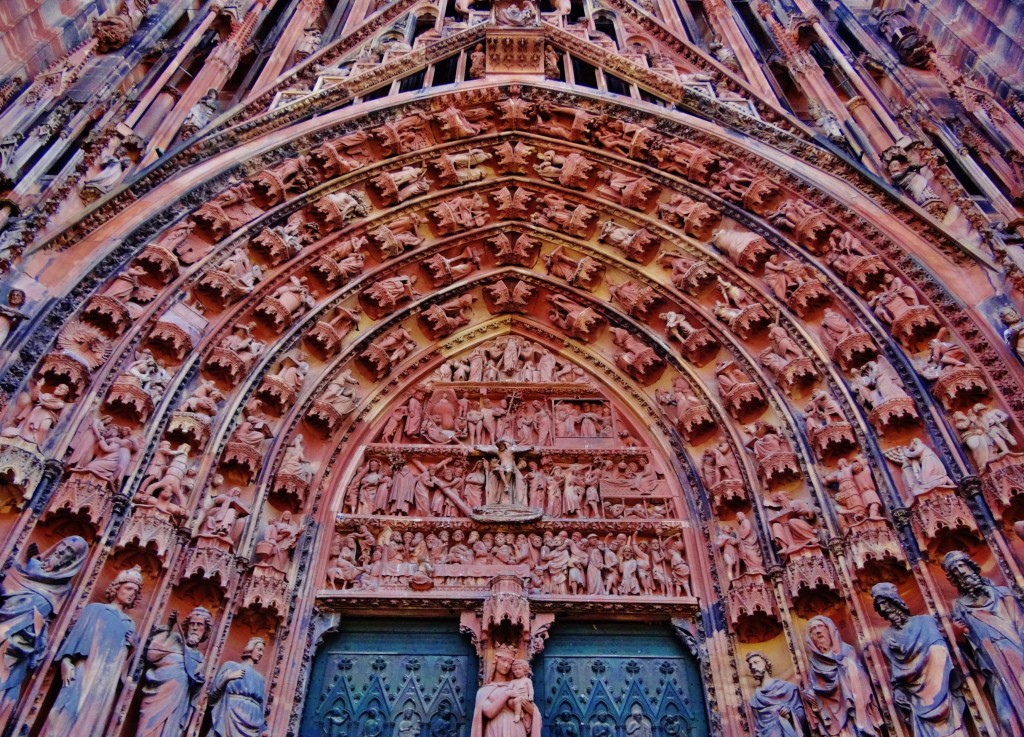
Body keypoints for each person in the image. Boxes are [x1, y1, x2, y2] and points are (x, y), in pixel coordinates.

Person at [40, 566, 143, 737]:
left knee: (94, 717)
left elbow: (125, 669)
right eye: (128, 588)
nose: (132, 593)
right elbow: (76, 637)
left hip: (107, 679)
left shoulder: (129, 624)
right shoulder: (96, 609)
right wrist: (66, 661)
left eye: (136, 591)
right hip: (85, 667)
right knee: (69, 708)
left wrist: (133, 648)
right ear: (117, 588)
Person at [0, 536, 88, 724]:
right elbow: (7, 592)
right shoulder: (27, 567)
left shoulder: (62, 588)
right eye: (63, 545)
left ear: (72, 561)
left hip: (17, 644)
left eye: (69, 551)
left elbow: (40, 623)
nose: (62, 551)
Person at [942, 550, 1024, 737]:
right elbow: (969, 653)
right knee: (1006, 716)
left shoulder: (1002, 593)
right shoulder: (960, 608)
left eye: (962, 566)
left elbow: (1021, 624)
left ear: (971, 566)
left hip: (1018, 652)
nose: (960, 572)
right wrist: (960, 637)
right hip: (995, 665)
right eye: (955, 571)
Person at [871, 582, 966, 737]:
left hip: (939, 689)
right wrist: (898, 691)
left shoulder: (924, 622)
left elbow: (940, 652)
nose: (883, 609)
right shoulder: (887, 638)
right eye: (879, 606)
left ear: (894, 601)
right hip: (915, 700)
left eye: (884, 603)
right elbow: (896, 675)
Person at [136, 607, 213, 737]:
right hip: (158, 694)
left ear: (205, 630)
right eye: (192, 624)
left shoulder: (199, 658)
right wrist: (169, 626)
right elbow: (152, 655)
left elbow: (196, 689)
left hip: (180, 699)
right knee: (147, 728)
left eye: (199, 625)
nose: (194, 628)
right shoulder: (174, 639)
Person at [803, 615, 883, 737]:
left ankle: (862, 725)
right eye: (813, 630)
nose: (818, 631)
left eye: (820, 627)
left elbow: (862, 678)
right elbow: (815, 686)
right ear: (811, 638)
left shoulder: (846, 650)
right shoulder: (814, 663)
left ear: (829, 629)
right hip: (833, 715)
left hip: (855, 707)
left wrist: (848, 668)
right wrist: (809, 694)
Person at [471, 645, 541, 737]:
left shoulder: (516, 685)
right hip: (494, 728)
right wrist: (507, 694)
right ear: (496, 660)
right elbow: (489, 713)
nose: (506, 665)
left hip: (515, 728)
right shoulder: (485, 690)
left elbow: (532, 711)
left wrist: (528, 706)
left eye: (510, 663)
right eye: (504, 661)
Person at [206, 637, 267, 737]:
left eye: (263, 651)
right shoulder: (231, 666)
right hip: (231, 716)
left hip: (253, 721)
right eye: (259, 649)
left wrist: (264, 727)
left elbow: (261, 706)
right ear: (251, 648)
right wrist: (226, 678)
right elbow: (212, 697)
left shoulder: (260, 679)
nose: (261, 654)